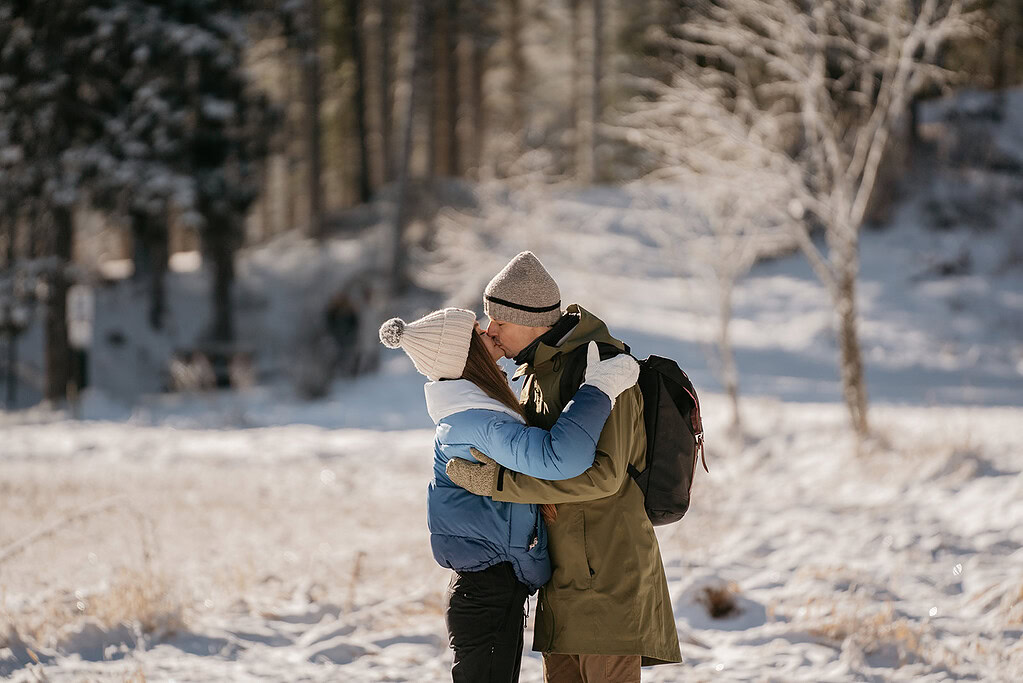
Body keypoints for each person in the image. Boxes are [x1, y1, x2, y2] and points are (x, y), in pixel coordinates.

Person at [446, 251, 683, 683]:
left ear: (533, 321)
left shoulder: (605, 367)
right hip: (563, 577)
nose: (491, 330)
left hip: (608, 573)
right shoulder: (537, 371)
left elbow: (604, 477)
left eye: (499, 321)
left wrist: (499, 482)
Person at [378, 306, 640, 683]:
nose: (490, 332)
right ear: (466, 355)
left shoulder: (472, 413)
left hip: (489, 592)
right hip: (485, 595)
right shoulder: (477, 422)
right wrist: (599, 389)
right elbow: (560, 456)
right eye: (479, 332)